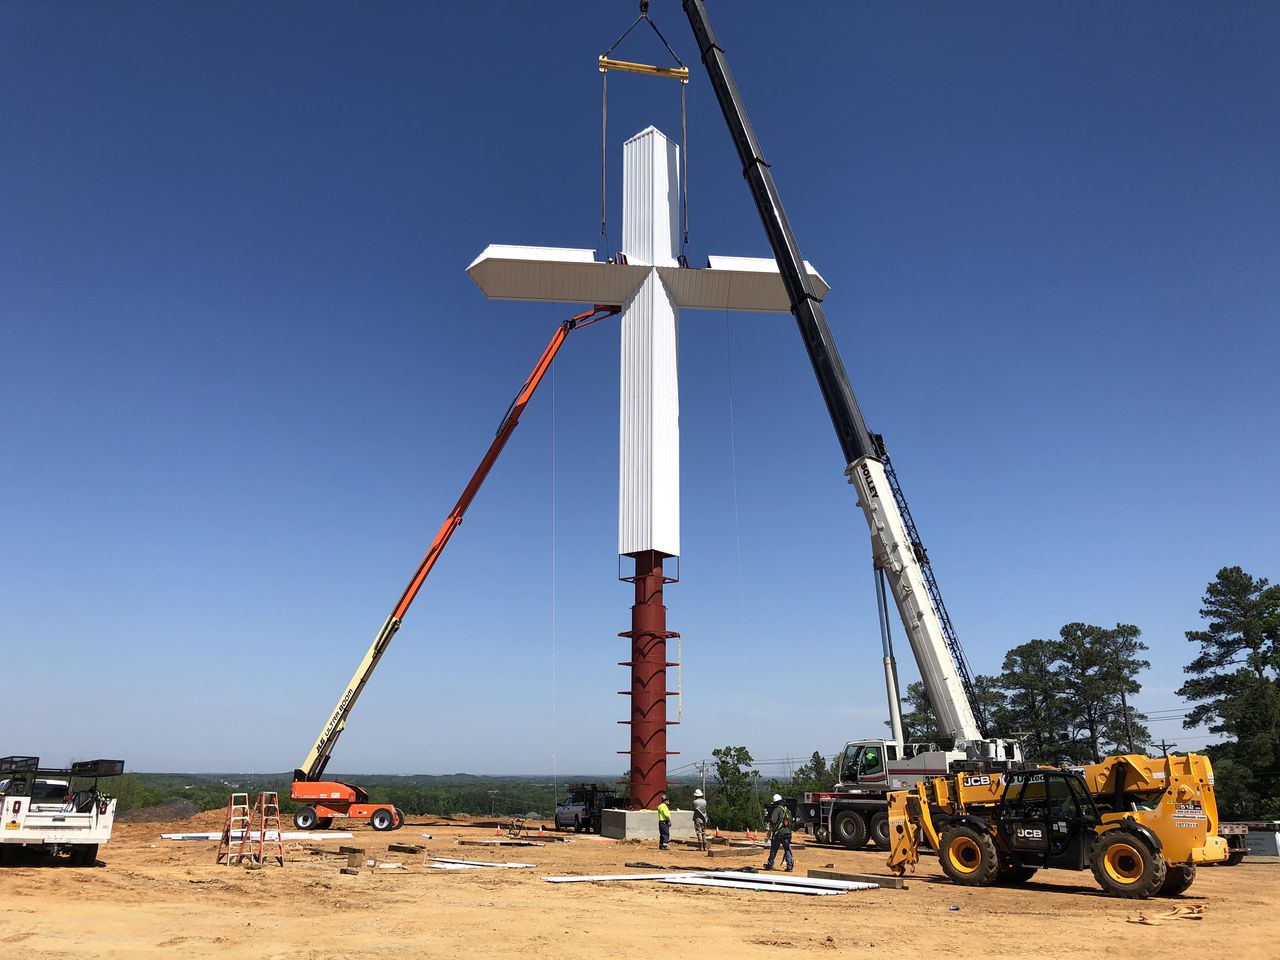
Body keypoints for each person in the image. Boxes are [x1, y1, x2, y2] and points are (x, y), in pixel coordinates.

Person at [762, 793, 794, 872]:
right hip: (788, 833)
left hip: (779, 833)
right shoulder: (787, 810)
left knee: (774, 849)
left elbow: (773, 820)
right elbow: (791, 821)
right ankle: (789, 866)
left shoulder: (777, 810)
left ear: (775, 802)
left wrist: (772, 828)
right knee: (787, 849)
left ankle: (770, 864)